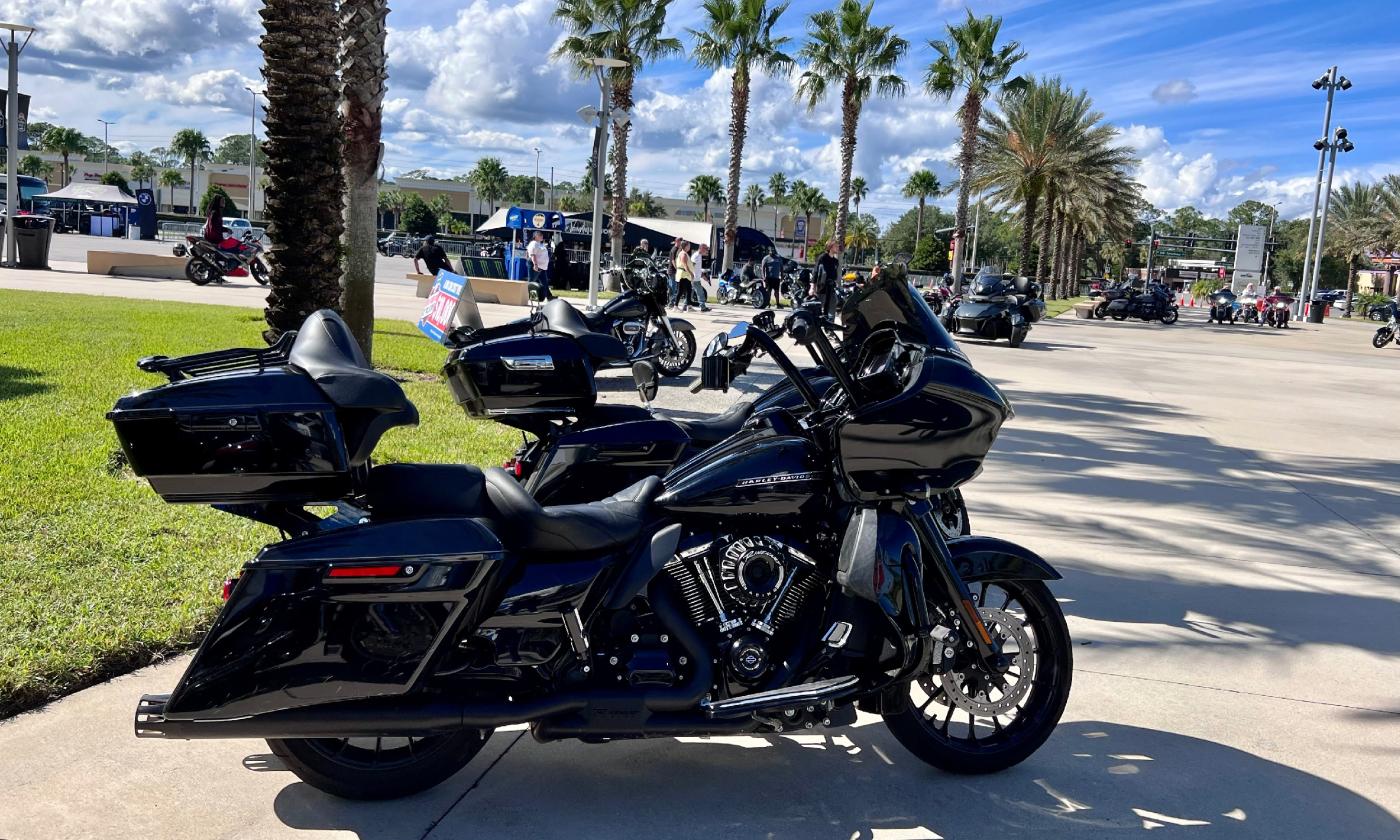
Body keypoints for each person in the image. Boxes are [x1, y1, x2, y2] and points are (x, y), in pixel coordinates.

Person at [813, 239, 842, 316]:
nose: (838, 247)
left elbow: (834, 274)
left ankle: (829, 326)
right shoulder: (822, 258)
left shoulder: (835, 261)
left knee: (832, 307)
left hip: (831, 287)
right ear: (830, 247)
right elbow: (815, 272)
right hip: (822, 287)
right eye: (836, 246)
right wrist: (813, 287)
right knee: (818, 307)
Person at [526, 230, 552, 299]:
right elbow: (532, 254)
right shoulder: (533, 243)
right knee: (532, 281)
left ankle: (549, 296)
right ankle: (527, 296)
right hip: (536, 265)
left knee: (545, 282)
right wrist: (535, 264)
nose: (542, 236)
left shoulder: (540, 244)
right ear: (535, 236)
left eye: (542, 235)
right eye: (540, 235)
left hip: (542, 267)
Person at [674, 241, 695, 312]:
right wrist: (691, 273)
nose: (689, 247)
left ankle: (689, 306)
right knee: (680, 291)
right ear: (685, 246)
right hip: (683, 275)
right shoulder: (683, 254)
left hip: (686, 275)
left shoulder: (685, 253)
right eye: (689, 246)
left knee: (689, 290)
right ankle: (675, 306)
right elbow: (685, 265)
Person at [692, 244, 712, 311]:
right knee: (700, 292)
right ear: (701, 248)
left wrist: (703, 276)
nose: (706, 251)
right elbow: (692, 266)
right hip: (694, 278)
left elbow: (698, 269)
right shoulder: (696, 256)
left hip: (696, 278)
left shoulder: (699, 256)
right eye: (705, 249)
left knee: (692, 292)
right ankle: (703, 307)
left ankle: (685, 305)